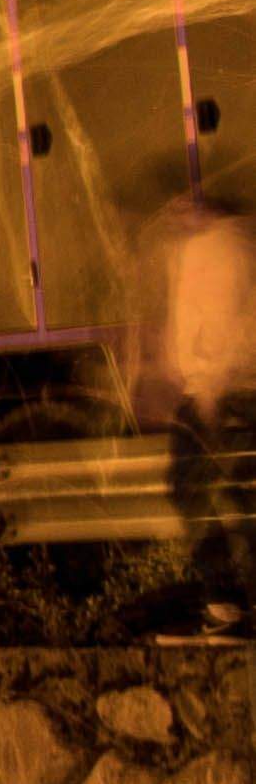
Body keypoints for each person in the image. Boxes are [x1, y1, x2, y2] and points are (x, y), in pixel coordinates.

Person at [132, 122, 256, 622]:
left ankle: (228, 601)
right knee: (206, 490)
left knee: (219, 491)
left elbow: (224, 324)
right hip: (207, 390)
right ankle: (226, 599)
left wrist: (208, 388)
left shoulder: (222, 247)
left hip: (228, 391)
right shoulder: (193, 249)